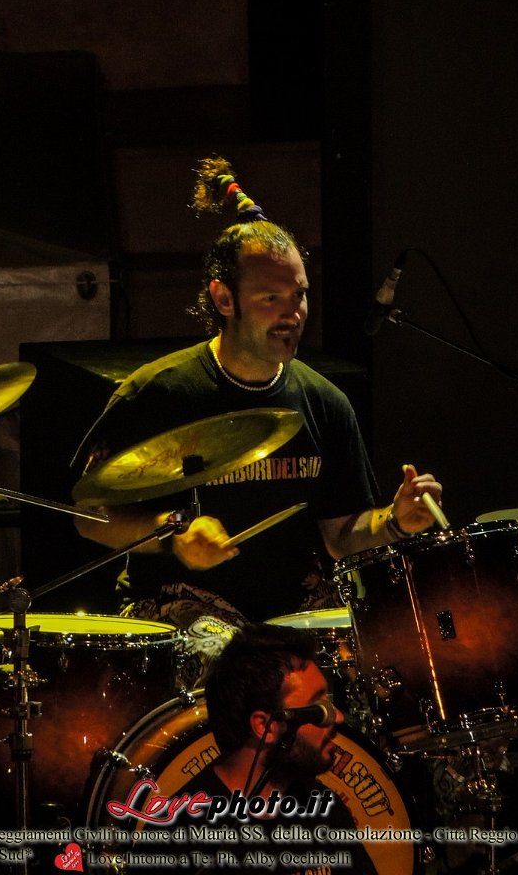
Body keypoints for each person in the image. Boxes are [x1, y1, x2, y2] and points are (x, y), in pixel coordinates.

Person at [72, 156, 442, 686]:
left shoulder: (325, 403)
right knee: (233, 667)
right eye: (271, 298)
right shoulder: (159, 392)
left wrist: (395, 521)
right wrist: (172, 536)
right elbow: (88, 515)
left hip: (292, 616)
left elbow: (340, 536)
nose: (292, 314)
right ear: (224, 298)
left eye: (300, 296)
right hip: (180, 612)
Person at [127, 622, 382, 875]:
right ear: (264, 726)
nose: (337, 717)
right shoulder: (176, 840)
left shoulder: (323, 808)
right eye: (317, 707)